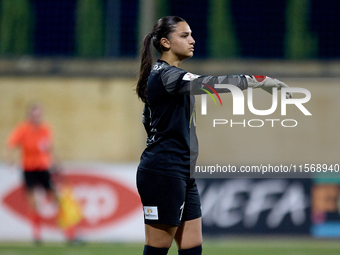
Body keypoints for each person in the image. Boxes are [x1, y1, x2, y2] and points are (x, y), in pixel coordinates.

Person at [136, 16, 291, 255]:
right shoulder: (166, 75)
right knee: (157, 250)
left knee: (192, 248)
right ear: (165, 43)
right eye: (184, 35)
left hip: (181, 172)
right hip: (163, 172)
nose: (192, 40)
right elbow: (208, 83)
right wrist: (256, 81)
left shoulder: (166, 75)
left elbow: (148, 120)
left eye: (191, 35)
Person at [5, 103, 59, 243]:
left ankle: (69, 232)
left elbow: (49, 148)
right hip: (28, 169)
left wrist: (55, 163)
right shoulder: (22, 129)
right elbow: (11, 145)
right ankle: (37, 235)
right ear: (29, 115)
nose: (36, 117)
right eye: (33, 114)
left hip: (42, 168)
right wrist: (10, 160)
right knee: (33, 202)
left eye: (38, 114)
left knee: (55, 198)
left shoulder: (45, 129)